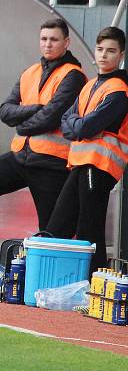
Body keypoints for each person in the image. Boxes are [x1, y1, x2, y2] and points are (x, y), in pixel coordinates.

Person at [0, 18, 87, 278]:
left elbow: (52, 117)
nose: (48, 44)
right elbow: (5, 111)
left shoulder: (73, 76)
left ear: (66, 43)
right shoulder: (30, 72)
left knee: (50, 227)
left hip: (50, 162)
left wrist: (23, 125)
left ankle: (49, 278)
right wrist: (32, 110)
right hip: (20, 156)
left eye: (54, 39)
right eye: (44, 39)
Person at [47, 27, 127, 274]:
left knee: (89, 227)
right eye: (100, 49)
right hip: (83, 163)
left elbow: (87, 125)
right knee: (59, 224)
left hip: (99, 166)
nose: (104, 55)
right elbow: (69, 122)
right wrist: (79, 126)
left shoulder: (119, 90)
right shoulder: (91, 85)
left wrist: (78, 126)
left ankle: (94, 282)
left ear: (121, 55)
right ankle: (57, 277)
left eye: (111, 51)